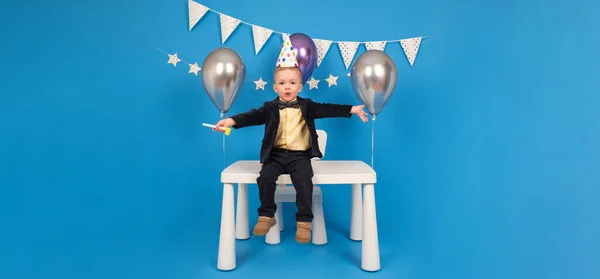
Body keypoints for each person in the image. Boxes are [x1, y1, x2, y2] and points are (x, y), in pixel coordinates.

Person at [213, 36, 368, 244]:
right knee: (265, 178)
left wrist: (352, 109)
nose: (287, 87)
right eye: (282, 83)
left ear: (300, 86)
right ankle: (266, 216)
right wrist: (231, 120)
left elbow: (328, 108)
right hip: (275, 155)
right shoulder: (269, 107)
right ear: (275, 87)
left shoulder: (307, 105)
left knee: (304, 181)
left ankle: (304, 222)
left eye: (292, 83)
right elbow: (251, 116)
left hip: (299, 156)